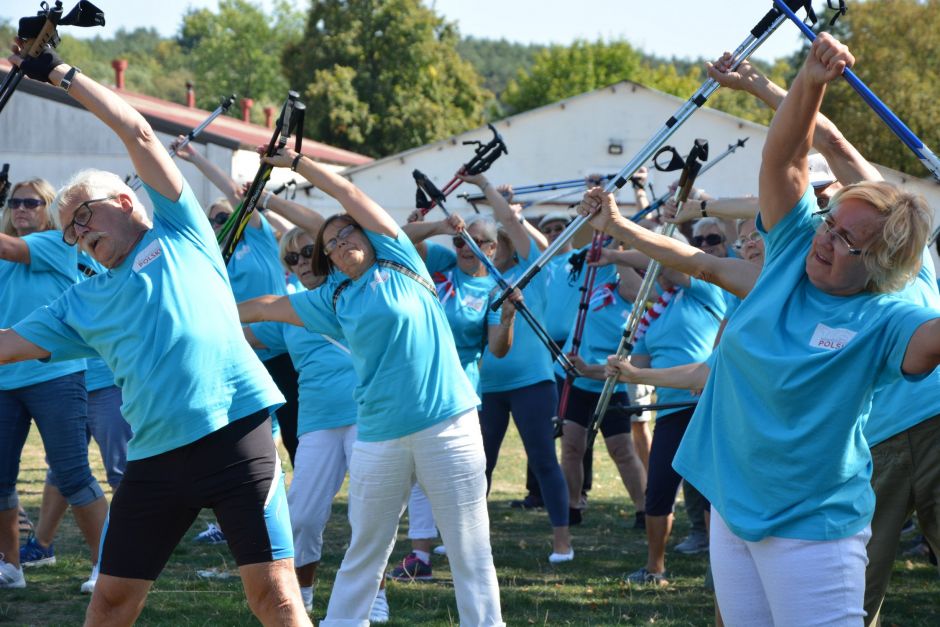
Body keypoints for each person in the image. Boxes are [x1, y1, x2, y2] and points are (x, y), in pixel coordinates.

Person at [588, 33, 940, 623]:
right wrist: (808, 81)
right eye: (829, 223)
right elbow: (783, 162)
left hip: (813, 530)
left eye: (846, 240)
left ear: (880, 265)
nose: (826, 239)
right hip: (735, 508)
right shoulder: (791, 254)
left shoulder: (888, 317)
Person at [1, 43, 307, 625]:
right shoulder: (81, 301)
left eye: (82, 217)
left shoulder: (179, 231)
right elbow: (6, 345)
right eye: (69, 233)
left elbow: (138, 133)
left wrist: (61, 74)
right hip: (154, 457)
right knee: (111, 601)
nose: (78, 235)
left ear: (123, 201)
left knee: (275, 596)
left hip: (236, 436)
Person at [237, 146, 504, 626]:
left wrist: (296, 164)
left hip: (447, 424)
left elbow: (348, 192)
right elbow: (267, 306)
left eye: (348, 233)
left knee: (470, 548)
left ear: (367, 233)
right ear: (330, 260)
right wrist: (205, 309)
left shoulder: (400, 259)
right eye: (331, 245)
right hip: (379, 435)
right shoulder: (333, 298)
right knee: (366, 549)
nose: (341, 244)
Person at [242, 227, 390, 619]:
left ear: (326, 253)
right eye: (291, 259)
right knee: (302, 516)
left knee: (368, 511)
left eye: (307, 252)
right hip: (316, 422)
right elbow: (243, 333)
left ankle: (375, 595)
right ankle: (303, 594)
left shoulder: (353, 290)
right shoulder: (288, 308)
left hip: (366, 415)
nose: (301, 263)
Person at [388, 211, 516, 582]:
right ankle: (420, 555)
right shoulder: (443, 263)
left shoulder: (494, 289)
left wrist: (508, 317)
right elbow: (399, 238)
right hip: (417, 384)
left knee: (459, 476)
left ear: (491, 248)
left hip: (458, 393)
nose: (464, 248)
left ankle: (470, 555)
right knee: (417, 472)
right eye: (460, 241)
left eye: (475, 242)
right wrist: (437, 227)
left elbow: (498, 348)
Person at [458, 172, 573, 563]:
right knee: (480, 463)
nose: (482, 251)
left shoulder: (531, 270)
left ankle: (562, 541)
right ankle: (469, 540)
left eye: (491, 244)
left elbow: (509, 220)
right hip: (488, 386)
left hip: (532, 382)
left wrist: (486, 188)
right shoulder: (476, 282)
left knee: (543, 459)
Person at [0, 178, 107, 592]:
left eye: (32, 202)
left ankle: (105, 567)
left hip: (55, 375)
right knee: (1, 481)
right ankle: (11, 567)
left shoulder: (55, 243)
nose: (21, 208)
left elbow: (10, 248)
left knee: (73, 474)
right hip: (5, 379)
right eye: (15, 202)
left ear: (49, 209)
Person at [554, 261, 647, 528]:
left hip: (608, 386)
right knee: (571, 447)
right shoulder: (602, 284)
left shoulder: (642, 316)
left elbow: (627, 367)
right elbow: (612, 250)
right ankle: (573, 506)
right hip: (574, 381)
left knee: (622, 450)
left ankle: (644, 511)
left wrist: (588, 369)